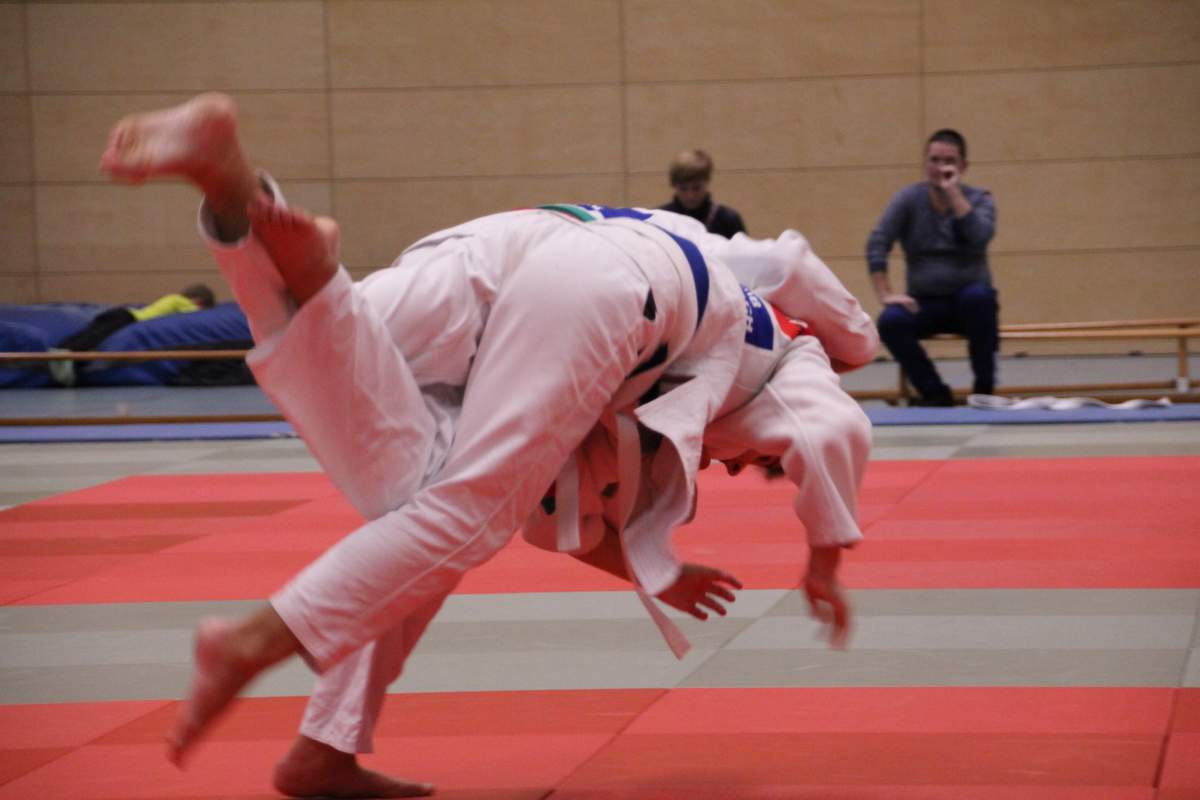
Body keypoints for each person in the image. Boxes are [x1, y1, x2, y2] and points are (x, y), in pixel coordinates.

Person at [99, 93, 873, 798]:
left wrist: (653, 569)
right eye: (762, 464)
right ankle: (252, 643)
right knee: (463, 512)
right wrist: (824, 564)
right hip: (601, 291)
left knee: (335, 370)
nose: (738, 464)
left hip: (491, 254)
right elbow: (835, 423)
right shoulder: (792, 360)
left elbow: (551, 510)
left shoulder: (699, 332)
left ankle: (236, 194)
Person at [866, 129, 998, 406]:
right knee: (891, 321)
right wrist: (885, 294)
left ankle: (984, 390)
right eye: (934, 160)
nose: (940, 168)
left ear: (963, 166)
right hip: (924, 302)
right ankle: (934, 392)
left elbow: (980, 237)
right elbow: (877, 242)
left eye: (949, 161)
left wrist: (954, 194)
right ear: (925, 163)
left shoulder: (980, 199)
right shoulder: (908, 200)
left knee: (980, 298)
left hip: (969, 304)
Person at [47, 283, 216, 386]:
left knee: (91, 335)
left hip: (124, 315)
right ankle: (64, 353)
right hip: (127, 317)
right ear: (198, 301)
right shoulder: (179, 301)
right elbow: (193, 314)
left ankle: (64, 351)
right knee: (92, 337)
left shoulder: (175, 300)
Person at [659, 148, 747, 239]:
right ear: (674, 185)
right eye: (683, 189)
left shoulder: (728, 220)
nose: (690, 196)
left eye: (696, 188)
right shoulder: (660, 219)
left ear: (707, 182)